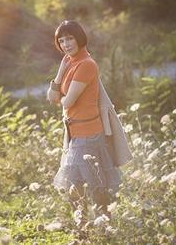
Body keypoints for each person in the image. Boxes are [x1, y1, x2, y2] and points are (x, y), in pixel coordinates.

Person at [46, 20, 122, 225]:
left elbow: (66, 101)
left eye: (69, 38)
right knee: (77, 182)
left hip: (88, 132)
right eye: (61, 40)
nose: (65, 44)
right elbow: (50, 97)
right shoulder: (70, 63)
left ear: (79, 37)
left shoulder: (87, 64)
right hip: (74, 132)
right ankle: (86, 225)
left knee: (92, 182)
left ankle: (103, 223)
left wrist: (61, 100)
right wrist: (60, 73)